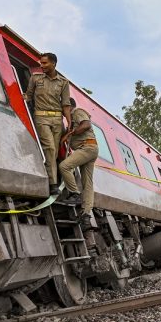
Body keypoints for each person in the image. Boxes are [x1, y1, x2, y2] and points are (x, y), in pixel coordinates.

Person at [24, 53, 72, 195]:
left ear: (54, 64)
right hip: (41, 118)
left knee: (55, 152)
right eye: (41, 63)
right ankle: (52, 184)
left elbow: (65, 104)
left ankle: (52, 178)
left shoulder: (63, 82)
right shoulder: (35, 78)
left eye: (45, 63)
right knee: (50, 148)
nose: (41, 65)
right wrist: (21, 97)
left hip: (57, 120)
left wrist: (69, 122)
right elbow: (28, 95)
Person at [59, 98, 99, 224]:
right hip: (90, 149)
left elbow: (86, 124)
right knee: (87, 183)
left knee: (64, 166)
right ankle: (86, 213)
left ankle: (74, 194)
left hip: (87, 148)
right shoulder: (71, 119)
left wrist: (70, 133)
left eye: (63, 107)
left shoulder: (77, 112)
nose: (62, 110)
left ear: (69, 106)